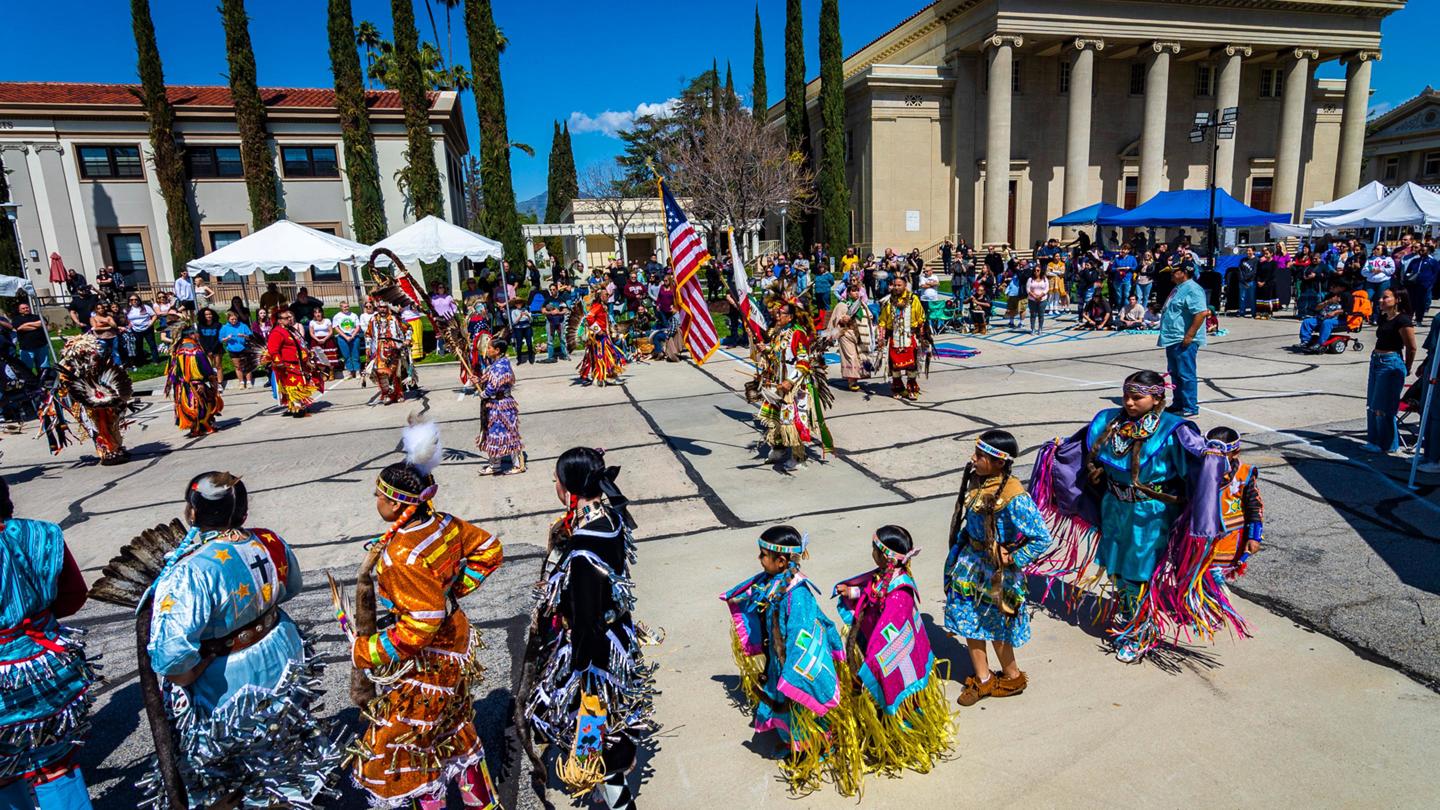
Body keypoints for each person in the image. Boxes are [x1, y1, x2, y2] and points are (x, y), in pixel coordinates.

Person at [144, 472, 343, 806]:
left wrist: (190, 672)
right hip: (282, 651)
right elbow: (291, 587)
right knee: (280, 744)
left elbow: (172, 657)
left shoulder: (189, 570)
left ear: (193, 513)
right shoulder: (268, 540)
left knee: (231, 767)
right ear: (243, 513)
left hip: (230, 679)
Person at [1030, 370, 1241, 663]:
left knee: (1137, 573)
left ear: (1157, 398)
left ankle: (1139, 631)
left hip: (1150, 514)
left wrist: (1216, 461)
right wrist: (1054, 452)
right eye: (1126, 395)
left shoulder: (1173, 430)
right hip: (1114, 507)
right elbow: (1081, 447)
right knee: (1118, 569)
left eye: (1136, 397)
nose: (1128, 402)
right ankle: (1131, 615)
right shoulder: (1109, 421)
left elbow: (1198, 464)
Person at [349, 421, 504, 809]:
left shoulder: (403, 554)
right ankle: (481, 804)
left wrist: (368, 652)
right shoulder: (442, 523)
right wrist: (452, 590)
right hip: (454, 641)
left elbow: (420, 624)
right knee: (452, 726)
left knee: (400, 745)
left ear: (398, 504)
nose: (375, 501)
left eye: (378, 496)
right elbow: (489, 549)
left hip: (431, 659)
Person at [522, 447, 655, 808]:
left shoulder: (583, 550)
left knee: (594, 724)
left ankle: (618, 801)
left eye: (556, 479)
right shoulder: (611, 519)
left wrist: (579, 667)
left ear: (570, 488)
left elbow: (584, 619)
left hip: (595, 654)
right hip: (617, 635)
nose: (555, 484)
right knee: (610, 720)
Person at [722, 525, 861, 796]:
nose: (759, 559)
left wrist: (793, 672)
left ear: (782, 561)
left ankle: (816, 749)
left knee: (801, 708)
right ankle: (794, 743)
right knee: (784, 707)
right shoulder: (774, 581)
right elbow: (755, 593)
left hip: (796, 664)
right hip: (780, 659)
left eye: (763, 555)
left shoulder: (797, 593)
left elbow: (802, 635)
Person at [0, 479, 96, 810]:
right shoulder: (43, 534)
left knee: (3, 771)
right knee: (55, 764)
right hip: (48, 668)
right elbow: (73, 597)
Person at [943, 430, 1053, 705]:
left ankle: (1012, 676)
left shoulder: (1014, 495)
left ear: (999, 462)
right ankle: (983, 679)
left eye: (980, 456)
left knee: (998, 625)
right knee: (968, 620)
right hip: (969, 564)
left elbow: (1042, 537)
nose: (974, 459)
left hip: (998, 573)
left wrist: (1014, 556)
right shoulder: (977, 480)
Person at [833, 525, 952, 773]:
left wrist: (872, 661)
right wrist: (852, 591)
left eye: (875, 549)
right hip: (881, 649)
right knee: (884, 697)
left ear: (886, 556)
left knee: (902, 699)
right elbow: (871, 593)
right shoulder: (884, 576)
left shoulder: (901, 590)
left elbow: (892, 629)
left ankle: (905, 741)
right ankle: (888, 732)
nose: (872, 553)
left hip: (898, 656)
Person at [758, 301, 832, 469]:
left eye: (780, 313)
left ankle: (799, 457)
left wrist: (790, 381)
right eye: (776, 313)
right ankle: (779, 449)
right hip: (778, 384)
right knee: (774, 420)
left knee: (792, 422)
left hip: (795, 386)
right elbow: (779, 352)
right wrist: (766, 349)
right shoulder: (780, 332)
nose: (776, 316)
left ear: (789, 317)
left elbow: (804, 361)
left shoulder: (798, 334)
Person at [1202, 426, 1264, 583]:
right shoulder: (1197, 471)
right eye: (1210, 455)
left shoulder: (1244, 474)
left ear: (1235, 453)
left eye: (1221, 455)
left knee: (1216, 583)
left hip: (1228, 542)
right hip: (1198, 541)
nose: (1214, 460)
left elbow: (1254, 507)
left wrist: (1254, 537)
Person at [1365, 288, 1416, 454]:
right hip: (1376, 362)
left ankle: (1388, 444)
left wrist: (1407, 367)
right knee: (1372, 404)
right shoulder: (1384, 317)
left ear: (1397, 299)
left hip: (1391, 364)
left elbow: (1411, 347)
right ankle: (1374, 441)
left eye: (1385, 297)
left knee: (1383, 406)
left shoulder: (1403, 321)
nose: (1381, 300)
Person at [1158, 263, 1210, 418]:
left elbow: (1201, 313)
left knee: (1186, 373)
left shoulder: (1193, 289)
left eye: (1174, 272)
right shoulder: (1178, 288)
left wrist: (1190, 335)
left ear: (1184, 273)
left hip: (1184, 339)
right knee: (1175, 373)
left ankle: (1190, 407)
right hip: (1172, 338)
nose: (1171, 275)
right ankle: (1178, 403)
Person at [164, 325, 224, 437]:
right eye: (196, 333)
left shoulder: (176, 349)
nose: (198, 335)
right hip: (196, 384)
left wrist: (173, 382)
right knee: (202, 404)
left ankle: (194, 428)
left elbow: (171, 370)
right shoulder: (194, 350)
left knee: (187, 404)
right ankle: (204, 426)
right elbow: (205, 368)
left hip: (180, 385)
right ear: (191, 335)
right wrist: (211, 378)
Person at [476, 338, 524, 475]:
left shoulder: (500, 366)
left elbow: (493, 387)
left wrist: (484, 394)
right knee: (492, 434)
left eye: (490, 348)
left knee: (510, 435)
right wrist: (478, 380)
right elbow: (487, 377)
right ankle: (495, 465)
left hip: (503, 406)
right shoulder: (497, 363)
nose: (488, 350)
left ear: (497, 351)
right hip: (495, 406)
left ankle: (518, 464)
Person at [877, 276, 927, 400]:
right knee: (895, 366)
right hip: (895, 337)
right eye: (895, 285)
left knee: (912, 366)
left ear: (905, 286)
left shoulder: (913, 299)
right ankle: (898, 388)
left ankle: (912, 388)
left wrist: (922, 332)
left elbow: (921, 316)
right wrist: (881, 336)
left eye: (900, 285)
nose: (897, 287)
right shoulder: (889, 301)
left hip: (909, 336)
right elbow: (883, 320)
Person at [266, 310, 319, 417]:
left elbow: (298, 345)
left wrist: (307, 355)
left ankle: (293, 406)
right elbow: (273, 350)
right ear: (280, 321)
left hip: (297, 362)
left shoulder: (290, 330)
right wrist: (279, 362)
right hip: (287, 364)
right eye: (286, 318)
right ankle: (297, 407)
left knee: (297, 384)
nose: (289, 319)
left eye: (290, 317)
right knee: (293, 385)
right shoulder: (277, 332)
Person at [827, 284, 874, 392]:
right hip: (846, 334)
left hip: (859, 334)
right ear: (848, 293)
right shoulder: (842, 305)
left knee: (860, 356)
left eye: (857, 291)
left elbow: (869, 316)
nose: (856, 293)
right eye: (853, 291)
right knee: (851, 357)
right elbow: (836, 320)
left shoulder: (861, 304)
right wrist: (844, 319)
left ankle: (856, 378)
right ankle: (851, 381)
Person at [578, 290, 625, 386]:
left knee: (600, 358)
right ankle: (609, 377)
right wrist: (598, 330)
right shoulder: (597, 306)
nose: (608, 296)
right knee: (606, 357)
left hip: (604, 336)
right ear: (601, 296)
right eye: (606, 295)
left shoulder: (603, 307)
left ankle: (599, 377)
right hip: (600, 338)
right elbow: (589, 318)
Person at [367, 303, 410, 404]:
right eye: (380, 307)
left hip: (394, 348)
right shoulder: (373, 320)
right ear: (377, 308)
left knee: (395, 373)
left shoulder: (395, 319)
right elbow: (368, 334)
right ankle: (386, 394)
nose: (382, 309)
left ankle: (398, 394)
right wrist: (368, 347)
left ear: (388, 308)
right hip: (379, 349)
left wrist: (407, 339)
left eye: (384, 307)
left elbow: (408, 328)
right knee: (381, 372)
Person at [1298, 287, 1346, 352]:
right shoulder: (1328, 297)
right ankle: (1305, 341)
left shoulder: (1344, 299)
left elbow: (1347, 310)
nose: (1331, 288)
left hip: (1334, 319)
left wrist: (1335, 312)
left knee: (1326, 323)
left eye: (1333, 287)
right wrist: (1327, 302)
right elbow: (1317, 308)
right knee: (1307, 321)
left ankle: (1320, 343)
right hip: (1321, 318)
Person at [218, 310, 255, 388]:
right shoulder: (225, 328)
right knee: (237, 366)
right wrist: (227, 338)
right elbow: (221, 340)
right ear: (228, 319)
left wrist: (244, 336)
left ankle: (248, 382)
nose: (234, 321)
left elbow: (250, 336)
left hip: (244, 348)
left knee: (246, 365)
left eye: (235, 319)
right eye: (232, 319)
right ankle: (241, 382)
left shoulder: (243, 325)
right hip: (232, 349)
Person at [12, 301, 49, 375]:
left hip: (41, 346)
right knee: (27, 368)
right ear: (19, 311)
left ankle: (45, 381)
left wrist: (27, 324)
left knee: (44, 367)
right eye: (23, 308)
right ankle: (31, 383)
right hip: (27, 348)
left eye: (27, 307)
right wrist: (37, 326)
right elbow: (20, 328)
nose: (26, 309)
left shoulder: (37, 316)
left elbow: (43, 323)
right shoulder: (17, 319)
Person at [1363, 246, 1396, 322]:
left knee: (1379, 300)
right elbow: (1364, 271)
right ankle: (1366, 315)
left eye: (1378, 249)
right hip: (1371, 282)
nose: (1375, 250)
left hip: (1383, 281)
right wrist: (1371, 272)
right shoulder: (1370, 259)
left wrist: (1381, 270)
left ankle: (1376, 317)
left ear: (1383, 250)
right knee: (1368, 298)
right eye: (1374, 249)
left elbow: (1392, 270)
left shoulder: (1388, 259)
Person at [124, 294, 159, 365]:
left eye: (136, 299)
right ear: (129, 301)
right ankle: (141, 361)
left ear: (138, 300)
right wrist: (129, 325)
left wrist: (151, 323)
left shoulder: (145, 307)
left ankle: (156, 360)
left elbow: (154, 315)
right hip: (136, 330)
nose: (134, 301)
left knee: (152, 345)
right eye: (132, 300)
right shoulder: (127, 310)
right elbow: (127, 319)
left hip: (147, 329)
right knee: (139, 346)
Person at [332, 301, 363, 379]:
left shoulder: (354, 315)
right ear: (341, 307)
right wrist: (345, 337)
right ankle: (350, 371)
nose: (346, 308)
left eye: (347, 306)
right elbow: (336, 328)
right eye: (344, 307)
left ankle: (357, 370)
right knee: (346, 355)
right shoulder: (337, 316)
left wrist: (352, 335)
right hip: (343, 337)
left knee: (355, 354)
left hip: (354, 336)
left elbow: (357, 326)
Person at [195, 307, 224, 385]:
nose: (208, 316)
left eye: (210, 314)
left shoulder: (218, 325)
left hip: (217, 348)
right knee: (209, 367)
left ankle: (220, 383)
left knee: (218, 366)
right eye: (206, 314)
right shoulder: (200, 325)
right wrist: (207, 350)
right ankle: (213, 383)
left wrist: (212, 350)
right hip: (206, 349)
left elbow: (220, 338)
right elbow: (201, 339)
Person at [307, 308, 338, 380]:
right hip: (316, 340)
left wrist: (325, 339)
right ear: (314, 314)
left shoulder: (327, 320)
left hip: (327, 340)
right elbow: (311, 333)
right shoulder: (312, 322)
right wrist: (317, 339)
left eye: (319, 312)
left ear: (322, 313)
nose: (318, 314)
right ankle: (323, 373)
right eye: (316, 313)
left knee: (330, 357)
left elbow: (331, 331)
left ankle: (331, 372)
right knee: (320, 358)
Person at [89, 302, 122, 368]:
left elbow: (115, 326)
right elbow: (96, 328)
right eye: (99, 308)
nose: (101, 309)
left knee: (115, 351)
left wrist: (104, 323)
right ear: (96, 310)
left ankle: (118, 366)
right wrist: (108, 326)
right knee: (101, 352)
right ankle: (102, 366)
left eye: (102, 308)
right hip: (101, 338)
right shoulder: (93, 318)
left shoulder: (108, 317)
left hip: (112, 336)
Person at [509, 299, 535, 365]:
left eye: (520, 303)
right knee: (519, 344)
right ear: (515, 305)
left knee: (529, 343)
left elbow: (531, 321)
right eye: (517, 303)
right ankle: (519, 358)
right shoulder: (514, 311)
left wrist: (528, 315)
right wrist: (520, 316)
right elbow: (514, 322)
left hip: (527, 327)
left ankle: (531, 357)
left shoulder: (526, 310)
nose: (519, 304)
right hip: (518, 328)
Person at [1025, 265, 1049, 335]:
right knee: (1033, 314)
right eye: (1035, 270)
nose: (1036, 272)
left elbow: (1047, 289)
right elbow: (1028, 289)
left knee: (1041, 315)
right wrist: (1035, 296)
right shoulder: (1030, 279)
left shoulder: (1044, 279)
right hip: (1032, 299)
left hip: (1042, 299)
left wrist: (1040, 296)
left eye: (1038, 270)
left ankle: (1040, 329)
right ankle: (1033, 329)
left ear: (1040, 271)